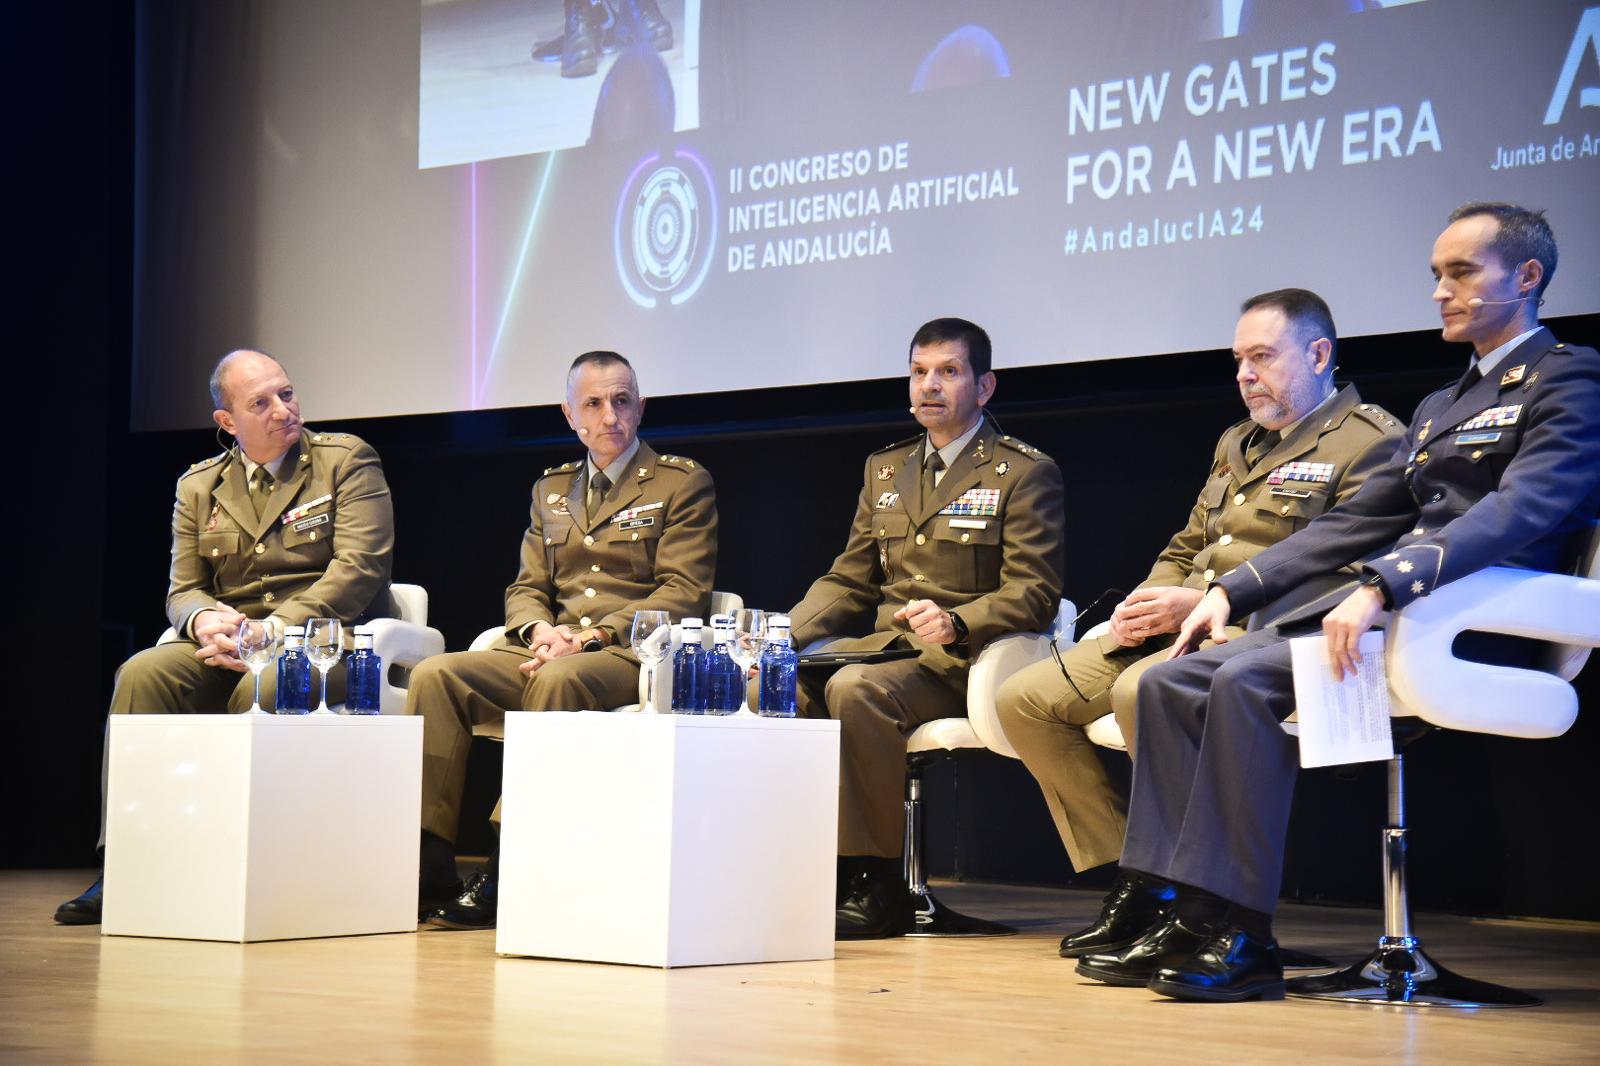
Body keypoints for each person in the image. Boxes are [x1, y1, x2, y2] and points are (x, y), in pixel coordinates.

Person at [1077, 203, 1600, 1001]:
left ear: (1527, 278)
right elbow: (1357, 522)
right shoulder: (1439, 407)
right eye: (1435, 275)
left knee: (1243, 683)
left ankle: (1243, 935)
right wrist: (1231, 588)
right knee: (1170, 680)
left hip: (1480, 624)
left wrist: (1387, 583)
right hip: (1400, 617)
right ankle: (1182, 912)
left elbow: (1521, 511)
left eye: (1462, 272)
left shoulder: (1568, 378)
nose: (1440, 292)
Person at [995, 289, 1403, 958]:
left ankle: (1185, 892)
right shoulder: (1234, 441)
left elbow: (1345, 569)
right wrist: (1148, 603)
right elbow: (1188, 544)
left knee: (1137, 693)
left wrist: (1208, 601)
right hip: (1181, 623)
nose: (1245, 374)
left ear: (1320, 354)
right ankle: (1138, 876)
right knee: (1025, 700)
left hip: (1255, 633)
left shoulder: (1371, 441)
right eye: (1239, 359)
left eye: (1263, 357)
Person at [54, 349, 396, 925]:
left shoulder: (345, 461)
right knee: (141, 672)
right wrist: (201, 621)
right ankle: (127, 866)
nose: (282, 410)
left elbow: (359, 570)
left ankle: (237, 870)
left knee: (259, 683)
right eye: (260, 403)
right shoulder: (200, 486)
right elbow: (183, 588)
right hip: (227, 643)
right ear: (228, 423)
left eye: (286, 394)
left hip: (317, 645)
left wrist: (271, 632)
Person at [410, 350, 716, 930]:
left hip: (626, 655)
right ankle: (429, 862)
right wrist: (540, 629)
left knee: (556, 677)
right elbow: (527, 585)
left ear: (641, 407)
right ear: (569, 414)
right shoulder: (550, 488)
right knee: (436, 675)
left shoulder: (682, 481)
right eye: (595, 404)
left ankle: (508, 865)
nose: (610, 416)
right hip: (549, 649)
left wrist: (594, 635)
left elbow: (685, 590)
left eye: (623, 401)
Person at [787, 317, 1065, 939]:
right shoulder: (885, 470)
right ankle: (811, 873)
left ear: (985, 386)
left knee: (856, 691)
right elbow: (849, 580)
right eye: (918, 372)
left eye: (948, 371)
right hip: (883, 653)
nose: (929, 386)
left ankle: (876, 882)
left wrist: (958, 620)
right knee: (782, 683)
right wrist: (783, 634)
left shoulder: (1022, 472)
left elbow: (1035, 591)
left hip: (963, 661)